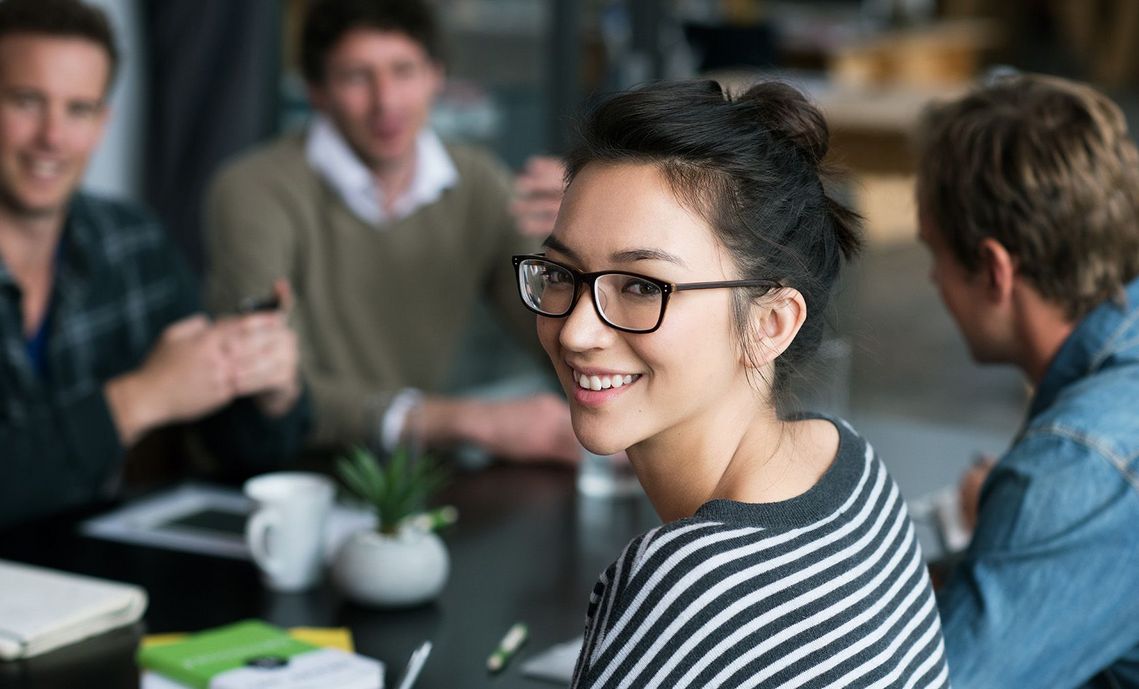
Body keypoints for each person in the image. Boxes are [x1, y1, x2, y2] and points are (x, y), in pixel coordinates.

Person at [516, 79, 948, 687]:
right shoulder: (849, 465)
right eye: (561, 272)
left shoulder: (685, 586)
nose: (577, 331)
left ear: (772, 323)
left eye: (640, 286)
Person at [204, 0, 578, 463]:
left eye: (404, 71)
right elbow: (273, 383)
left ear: (436, 75)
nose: (386, 101)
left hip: (412, 473)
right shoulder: (254, 189)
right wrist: (466, 420)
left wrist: (584, 245)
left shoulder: (477, 182)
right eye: (356, 77)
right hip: (287, 471)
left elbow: (555, 335)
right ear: (317, 91)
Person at [0, 0, 308, 526]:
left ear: (103, 123)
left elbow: (240, 452)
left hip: (91, 564)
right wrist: (139, 399)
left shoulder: (132, 241)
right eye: (27, 102)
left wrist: (269, 391)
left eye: (79, 110)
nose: (52, 137)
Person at [916, 73, 1139, 687]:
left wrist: (1022, 516)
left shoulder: (1074, 466)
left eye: (935, 253)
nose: (933, 280)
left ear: (994, 269)